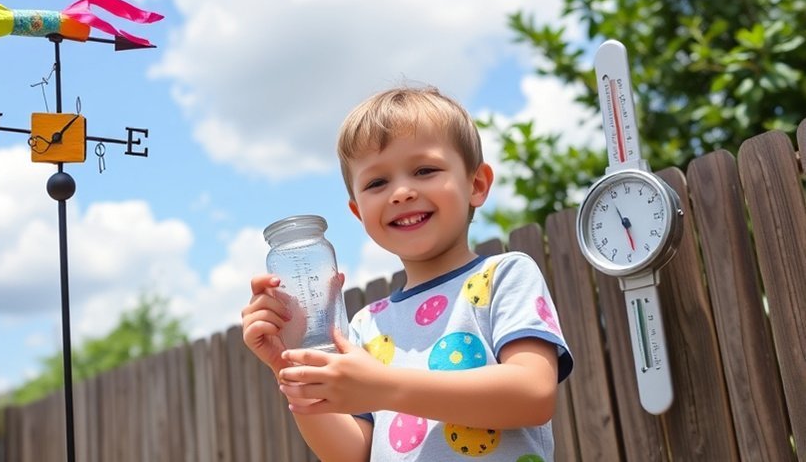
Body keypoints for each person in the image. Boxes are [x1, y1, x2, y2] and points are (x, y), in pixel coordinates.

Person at [241, 85, 573, 461]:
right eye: (377, 183)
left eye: (425, 170)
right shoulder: (366, 325)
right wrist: (290, 364)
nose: (400, 192)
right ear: (358, 211)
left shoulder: (504, 276)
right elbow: (352, 454)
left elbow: (532, 395)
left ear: (476, 185)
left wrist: (384, 387)